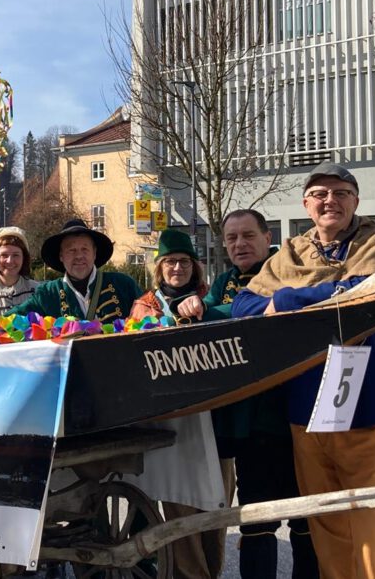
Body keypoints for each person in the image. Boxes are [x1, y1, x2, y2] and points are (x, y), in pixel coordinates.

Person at [232, 162, 375, 579]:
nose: (330, 201)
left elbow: (368, 293)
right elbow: (244, 306)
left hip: (365, 404)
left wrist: (286, 302)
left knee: (368, 525)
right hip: (307, 410)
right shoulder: (292, 252)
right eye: (320, 194)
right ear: (306, 204)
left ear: (356, 201)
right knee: (325, 525)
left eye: (340, 193)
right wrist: (318, 298)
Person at [209, 210, 318, 579]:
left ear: (266, 236)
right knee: (256, 517)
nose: (239, 244)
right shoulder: (222, 282)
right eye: (231, 238)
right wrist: (193, 307)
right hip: (249, 422)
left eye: (247, 236)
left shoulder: (288, 269)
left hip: (294, 414)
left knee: (305, 515)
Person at [129, 229, 228, 579]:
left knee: (216, 500)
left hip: (215, 418)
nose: (177, 268)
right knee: (179, 500)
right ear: (160, 267)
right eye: (170, 261)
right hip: (171, 420)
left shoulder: (210, 298)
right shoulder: (145, 306)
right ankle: (189, 574)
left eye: (184, 261)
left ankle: (211, 569)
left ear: (194, 267)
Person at [8, 219, 140, 320]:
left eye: (85, 249)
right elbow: (9, 321)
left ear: (94, 253)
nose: (79, 256)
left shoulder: (124, 285)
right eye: (71, 250)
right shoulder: (48, 294)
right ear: (61, 256)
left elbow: (151, 322)